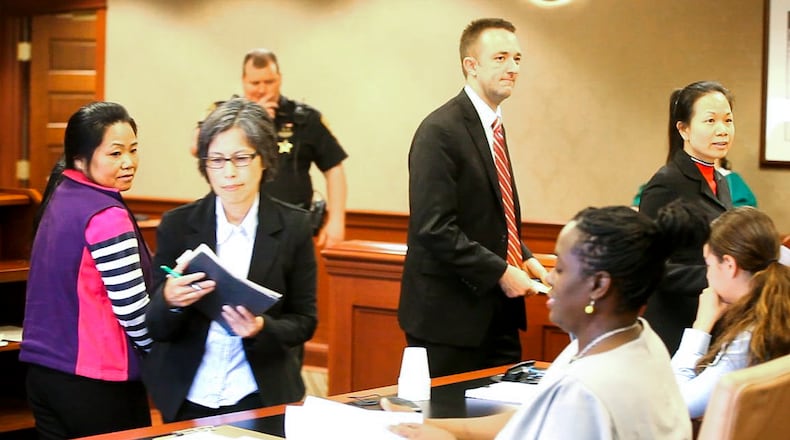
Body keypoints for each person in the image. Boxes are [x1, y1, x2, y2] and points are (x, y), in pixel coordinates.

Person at [387, 206, 693, 439]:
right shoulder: (636, 340)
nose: (548, 278)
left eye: (560, 269)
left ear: (599, 285)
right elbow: (531, 419)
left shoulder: (586, 390)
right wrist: (434, 425)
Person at [144, 98, 318, 422]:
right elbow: (155, 324)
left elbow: (304, 321)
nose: (229, 172)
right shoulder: (178, 225)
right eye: (217, 160)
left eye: (241, 158)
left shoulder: (293, 226)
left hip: (259, 391)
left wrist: (260, 328)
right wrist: (169, 299)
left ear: (264, 159)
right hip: (188, 392)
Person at [399, 18, 551, 378]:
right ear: (471, 65)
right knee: (447, 426)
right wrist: (500, 270)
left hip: (499, 313)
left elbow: (489, 218)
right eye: (500, 58)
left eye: (517, 59)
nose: (513, 68)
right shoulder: (439, 131)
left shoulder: (493, 127)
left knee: (501, 424)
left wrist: (525, 258)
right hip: (449, 319)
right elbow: (434, 227)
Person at [20, 102, 154, 438]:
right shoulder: (106, 215)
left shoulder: (61, 196)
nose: (129, 162)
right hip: (98, 379)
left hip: (43, 373)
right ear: (81, 158)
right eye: (115, 153)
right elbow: (133, 311)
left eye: (133, 150)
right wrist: (164, 351)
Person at [639, 80, 735, 353]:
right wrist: (721, 277)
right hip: (675, 327)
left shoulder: (721, 181)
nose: (722, 130)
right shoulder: (666, 183)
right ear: (684, 129)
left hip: (715, 323)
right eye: (710, 120)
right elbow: (652, 266)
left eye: (728, 120)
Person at [671, 207, 790, 418]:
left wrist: (701, 326)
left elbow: (676, 403)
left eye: (708, 264)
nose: (707, 275)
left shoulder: (749, 339)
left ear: (729, 265)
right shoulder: (778, 306)